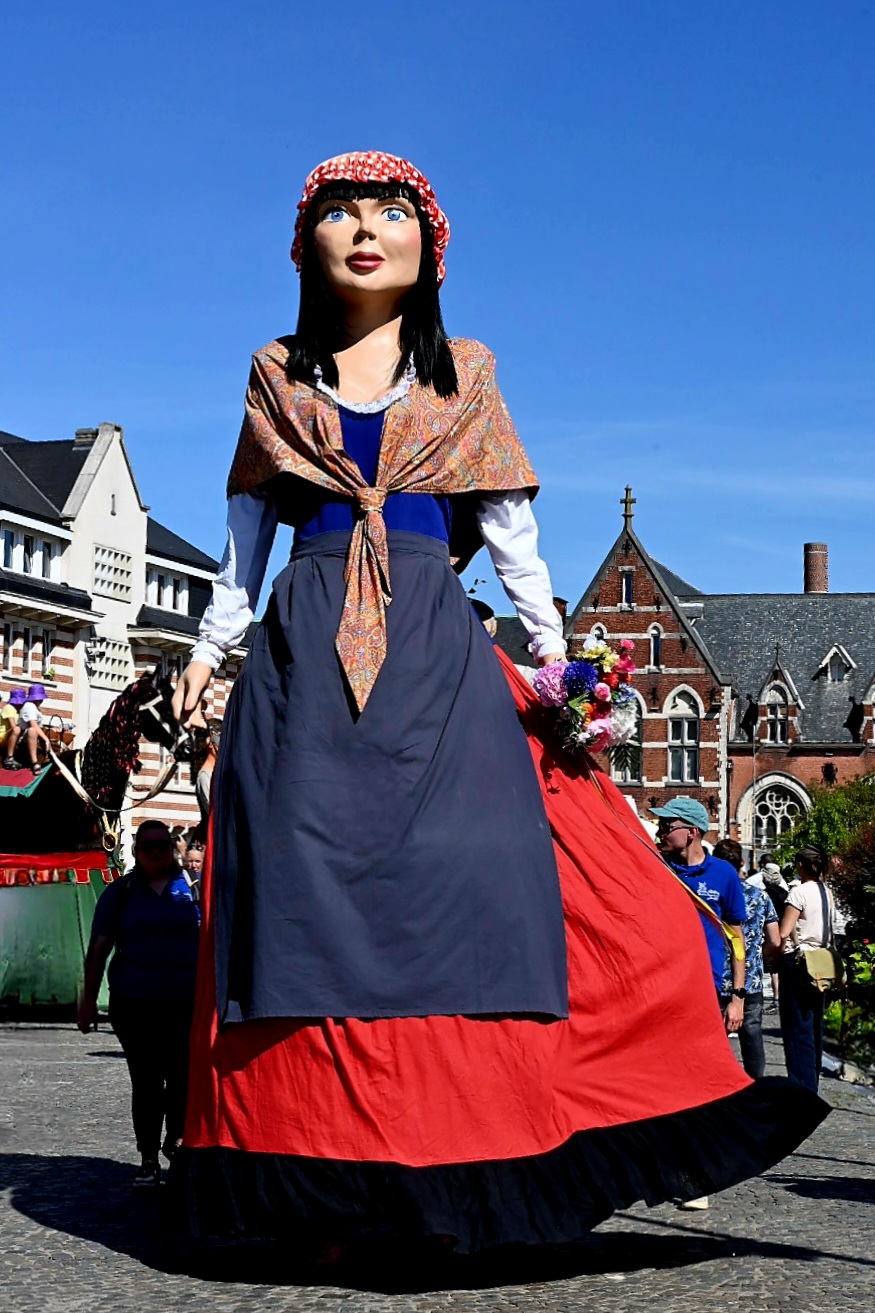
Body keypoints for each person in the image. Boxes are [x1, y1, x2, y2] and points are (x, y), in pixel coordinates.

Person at [169, 152, 827, 1252]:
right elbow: (246, 533)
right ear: (305, 243)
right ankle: (305, 1168)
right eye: (339, 212)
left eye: (390, 211)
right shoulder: (276, 372)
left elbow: (514, 536)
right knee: (294, 883)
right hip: (303, 651)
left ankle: (505, 1142)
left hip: (434, 638)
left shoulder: (462, 372)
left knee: (495, 867)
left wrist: (560, 661)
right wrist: (207, 646)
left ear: (429, 246)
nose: (365, 229)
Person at [77, 819, 200, 1186]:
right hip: (135, 1003)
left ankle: (176, 1140)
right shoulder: (122, 893)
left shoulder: (193, 888)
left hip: (186, 1001)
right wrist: (86, 1001)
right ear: (137, 852)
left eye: (163, 845)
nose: (158, 852)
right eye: (149, 847)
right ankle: (148, 1156)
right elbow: (98, 950)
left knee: (183, 1076)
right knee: (147, 1080)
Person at [713, 839, 780, 1079]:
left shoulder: (711, 896)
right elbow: (775, 939)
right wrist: (759, 956)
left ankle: (717, 1089)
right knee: (751, 1036)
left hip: (715, 978)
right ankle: (755, 1086)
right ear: (741, 862)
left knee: (714, 1041)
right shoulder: (759, 897)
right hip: (749, 980)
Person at [777, 844, 836, 1092]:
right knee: (814, 1025)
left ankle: (801, 1088)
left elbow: (782, 933)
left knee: (795, 1028)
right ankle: (812, 1083)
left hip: (799, 963)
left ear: (800, 865)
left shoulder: (798, 893)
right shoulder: (826, 892)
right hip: (823, 961)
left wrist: (769, 953)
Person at [5, 683, 50, 773]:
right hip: (23, 738)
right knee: (32, 730)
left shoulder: (36, 708)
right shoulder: (29, 706)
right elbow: (33, 725)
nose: (41, 700)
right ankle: (34, 762)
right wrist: (46, 739)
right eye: (39, 698)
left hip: (31, 737)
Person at [0, 689, 22, 764]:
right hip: (3, 737)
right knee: (17, 729)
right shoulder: (9, 707)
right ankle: (9, 757)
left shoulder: (17, 711)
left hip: (12, 736)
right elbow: (13, 726)